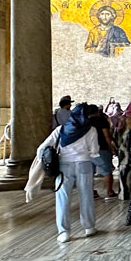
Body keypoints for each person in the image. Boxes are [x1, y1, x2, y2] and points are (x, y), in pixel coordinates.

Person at [36, 103, 99, 242]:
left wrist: (43, 163)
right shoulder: (91, 130)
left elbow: (42, 148)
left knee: (62, 198)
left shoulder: (61, 129)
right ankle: (89, 227)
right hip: (84, 164)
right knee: (86, 196)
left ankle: (64, 232)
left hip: (64, 166)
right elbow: (94, 151)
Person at [87, 104, 117, 198]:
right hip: (101, 148)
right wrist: (112, 147)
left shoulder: (84, 122)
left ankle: (91, 192)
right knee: (107, 171)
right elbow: (107, 136)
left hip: (87, 150)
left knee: (89, 173)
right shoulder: (101, 121)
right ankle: (109, 191)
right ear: (97, 111)